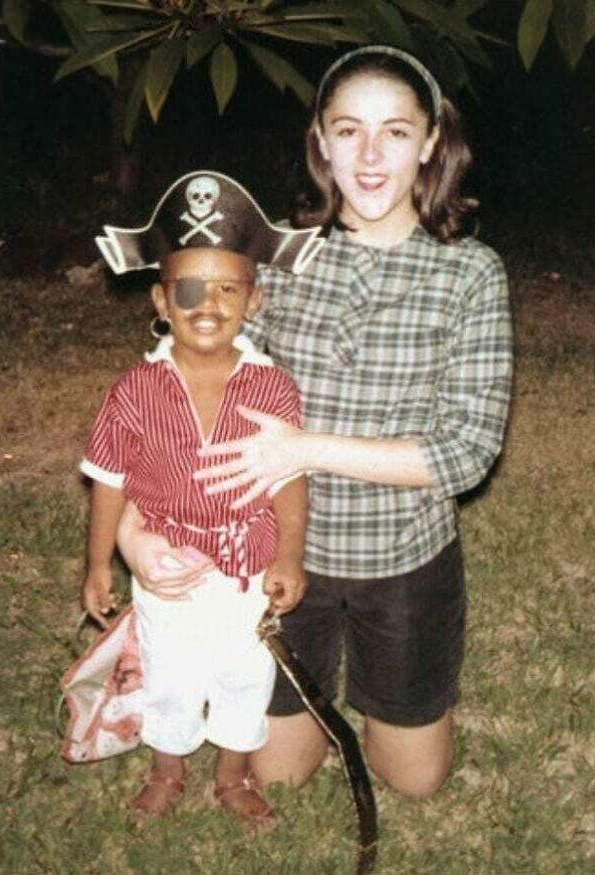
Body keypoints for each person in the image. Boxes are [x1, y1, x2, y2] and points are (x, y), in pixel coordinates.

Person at [118, 46, 513, 800]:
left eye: (395, 133)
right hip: (274, 560)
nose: (369, 155)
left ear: (430, 144)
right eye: (348, 130)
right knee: (281, 772)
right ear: (321, 141)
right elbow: (173, 401)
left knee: (415, 781)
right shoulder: (275, 263)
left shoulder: (471, 273)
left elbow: (466, 453)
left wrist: (303, 448)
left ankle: (395, 695)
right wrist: (137, 530)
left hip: (403, 558)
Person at [68, 172, 325, 826]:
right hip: (169, 572)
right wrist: (101, 564)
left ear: (254, 300)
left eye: (227, 289)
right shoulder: (134, 390)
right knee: (173, 674)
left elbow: (290, 480)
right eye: (187, 289)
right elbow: (109, 479)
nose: (206, 304)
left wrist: (289, 555)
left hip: (248, 570)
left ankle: (233, 776)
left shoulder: (273, 388)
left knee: (245, 675)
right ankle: (167, 769)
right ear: (160, 300)